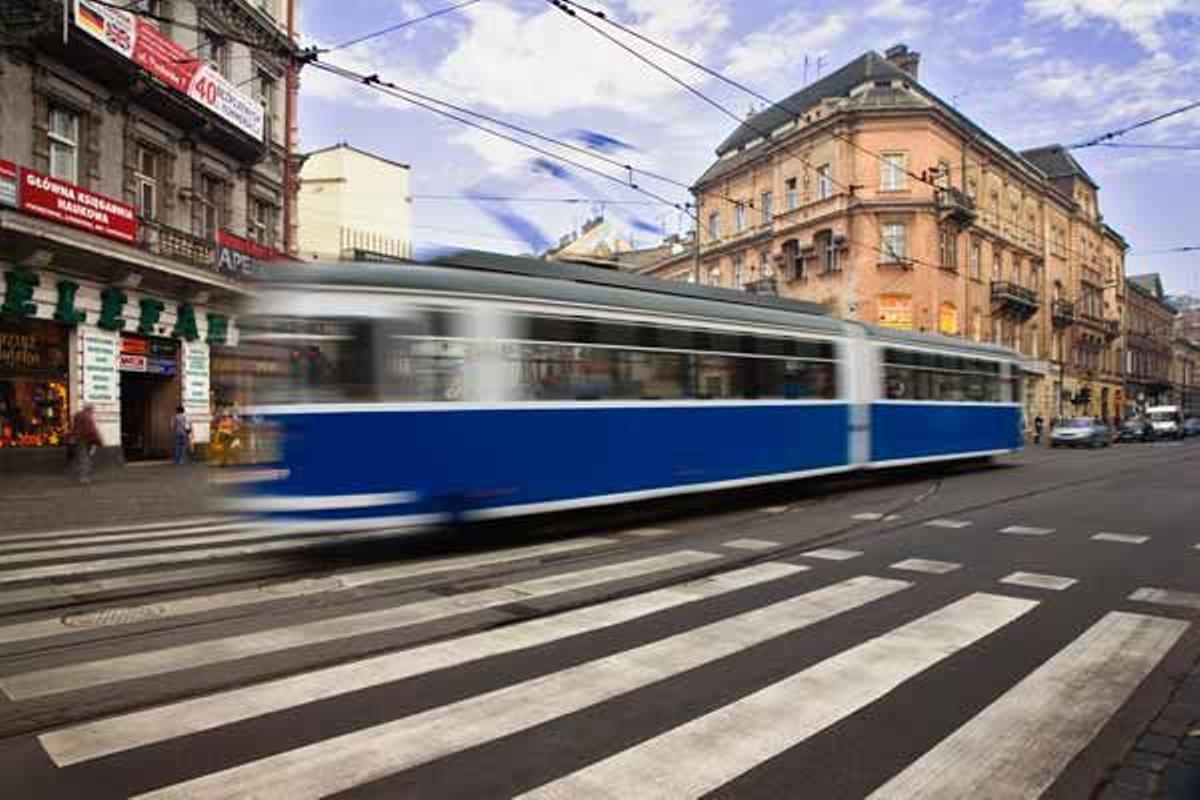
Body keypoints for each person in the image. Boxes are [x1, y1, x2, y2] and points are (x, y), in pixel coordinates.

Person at [71, 404, 102, 484]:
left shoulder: (78, 415)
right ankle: (84, 477)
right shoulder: (87, 417)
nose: (93, 411)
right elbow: (91, 429)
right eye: (92, 410)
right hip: (87, 440)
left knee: (81, 457)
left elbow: (74, 428)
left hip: (79, 439)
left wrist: (74, 436)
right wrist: (98, 440)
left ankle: (81, 475)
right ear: (89, 409)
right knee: (85, 458)